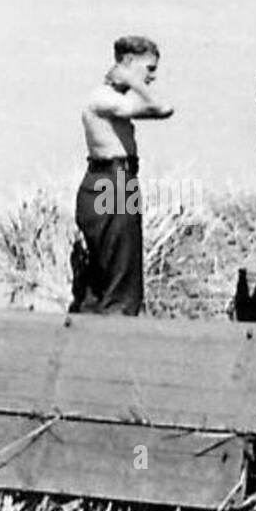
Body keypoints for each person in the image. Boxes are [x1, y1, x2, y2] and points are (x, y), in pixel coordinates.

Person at [71, 35, 173, 315]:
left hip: (115, 181)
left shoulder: (111, 99)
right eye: (148, 69)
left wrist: (131, 81)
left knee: (106, 276)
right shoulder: (103, 98)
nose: (151, 77)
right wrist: (133, 80)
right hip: (113, 183)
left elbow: (156, 109)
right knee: (121, 282)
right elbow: (163, 108)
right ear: (127, 63)